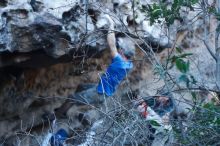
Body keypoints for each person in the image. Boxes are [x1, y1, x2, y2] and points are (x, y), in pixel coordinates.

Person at [55, 14, 135, 117]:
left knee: (72, 98)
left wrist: (111, 24)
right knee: (81, 86)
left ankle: (57, 115)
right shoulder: (129, 64)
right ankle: (64, 110)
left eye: (120, 49)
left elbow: (111, 44)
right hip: (103, 91)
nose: (118, 49)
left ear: (123, 53)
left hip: (100, 93)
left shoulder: (120, 63)